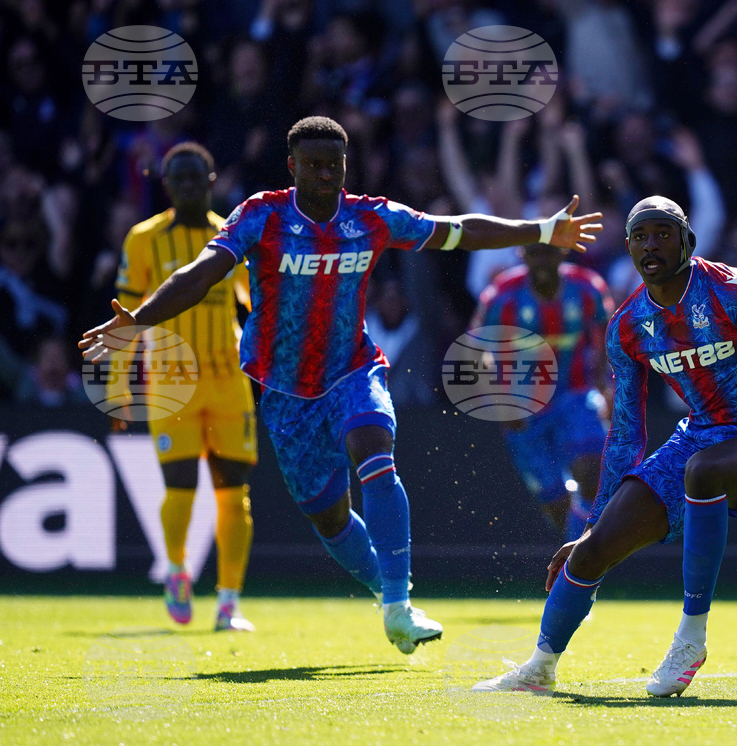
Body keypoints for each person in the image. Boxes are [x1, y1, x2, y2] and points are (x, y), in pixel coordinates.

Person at [81, 116, 603, 655]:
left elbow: (455, 230)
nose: (326, 174)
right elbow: (203, 271)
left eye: (334, 164)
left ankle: (399, 604)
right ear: (293, 167)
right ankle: (386, 593)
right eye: (314, 165)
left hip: (353, 369)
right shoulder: (262, 215)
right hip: (286, 392)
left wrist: (540, 230)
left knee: (374, 451)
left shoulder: (369, 217)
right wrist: (140, 320)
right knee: (329, 517)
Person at [473, 196, 737, 696]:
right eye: (640, 237)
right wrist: (594, 521)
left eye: (663, 233)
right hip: (701, 437)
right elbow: (626, 433)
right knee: (591, 549)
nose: (651, 245)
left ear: (688, 241)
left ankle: (691, 639)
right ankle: (539, 669)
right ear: (627, 248)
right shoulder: (628, 325)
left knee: (702, 471)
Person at [107, 142, 258, 632]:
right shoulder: (143, 239)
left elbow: (256, 302)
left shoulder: (232, 236)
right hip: (171, 384)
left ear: (212, 182)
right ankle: (176, 570)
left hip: (228, 380)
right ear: (167, 185)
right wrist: (117, 388)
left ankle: (229, 602)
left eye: (198, 178)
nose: (189, 186)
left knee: (233, 494)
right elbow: (126, 318)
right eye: (180, 179)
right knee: (181, 488)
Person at [470, 244, 615, 541]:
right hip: (522, 409)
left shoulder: (588, 287)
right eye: (535, 253)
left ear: (563, 253)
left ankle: (585, 558)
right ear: (522, 255)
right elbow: (475, 349)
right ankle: (576, 555)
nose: (542, 261)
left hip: (575, 395)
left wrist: (607, 385)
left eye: (548, 252)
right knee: (557, 505)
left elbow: (609, 334)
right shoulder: (501, 295)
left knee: (591, 472)